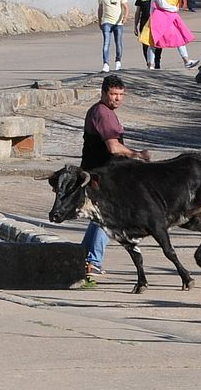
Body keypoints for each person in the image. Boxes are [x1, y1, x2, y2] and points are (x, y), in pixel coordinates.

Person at [80, 75, 150, 278]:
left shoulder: (102, 110)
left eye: (121, 94)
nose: (118, 98)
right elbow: (113, 146)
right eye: (113, 94)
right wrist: (136, 155)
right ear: (103, 94)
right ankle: (92, 260)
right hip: (101, 175)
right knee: (106, 218)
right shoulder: (103, 113)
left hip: (96, 173)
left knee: (98, 218)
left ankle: (84, 257)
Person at [138, 0, 200, 69]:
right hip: (161, 18)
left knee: (155, 41)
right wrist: (173, 8)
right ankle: (185, 61)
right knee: (156, 41)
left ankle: (152, 65)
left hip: (162, 18)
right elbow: (161, 3)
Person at [97, 0, 128, 73]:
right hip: (106, 21)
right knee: (106, 43)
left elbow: (126, 7)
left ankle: (118, 61)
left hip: (118, 22)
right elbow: (100, 8)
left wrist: (125, 17)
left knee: (118, 43)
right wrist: (100, 20)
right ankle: (105, 64)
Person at [133, 0, 161, 68]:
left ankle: (157, 62)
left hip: (156, 23)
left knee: (158, 44)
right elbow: (138, 12)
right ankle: (149, 63)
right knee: (145, 45)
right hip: (144, 24)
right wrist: (135, 26)